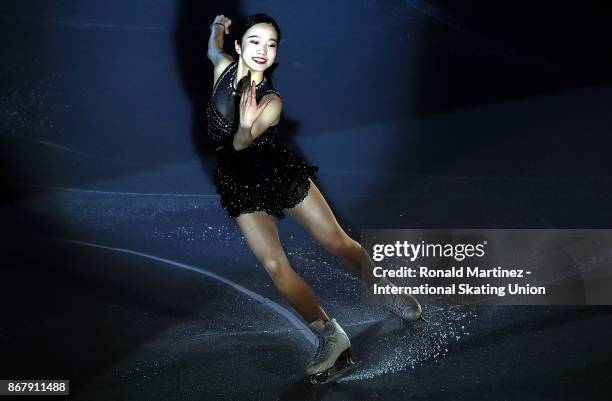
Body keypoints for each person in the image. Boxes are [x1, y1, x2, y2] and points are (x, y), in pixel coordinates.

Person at [205, 13, 423, 384]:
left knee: (336, 241)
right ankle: (330, 335)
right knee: (275, 266)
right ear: (239, 46)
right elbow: (213, 49)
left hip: (276, 174)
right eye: (255, 41)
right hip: (240, 186)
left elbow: (241, 146)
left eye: (271, 44)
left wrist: (244, 128)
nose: (263, 51)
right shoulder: (222, 65)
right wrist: (217, 28)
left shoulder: (270, 102)